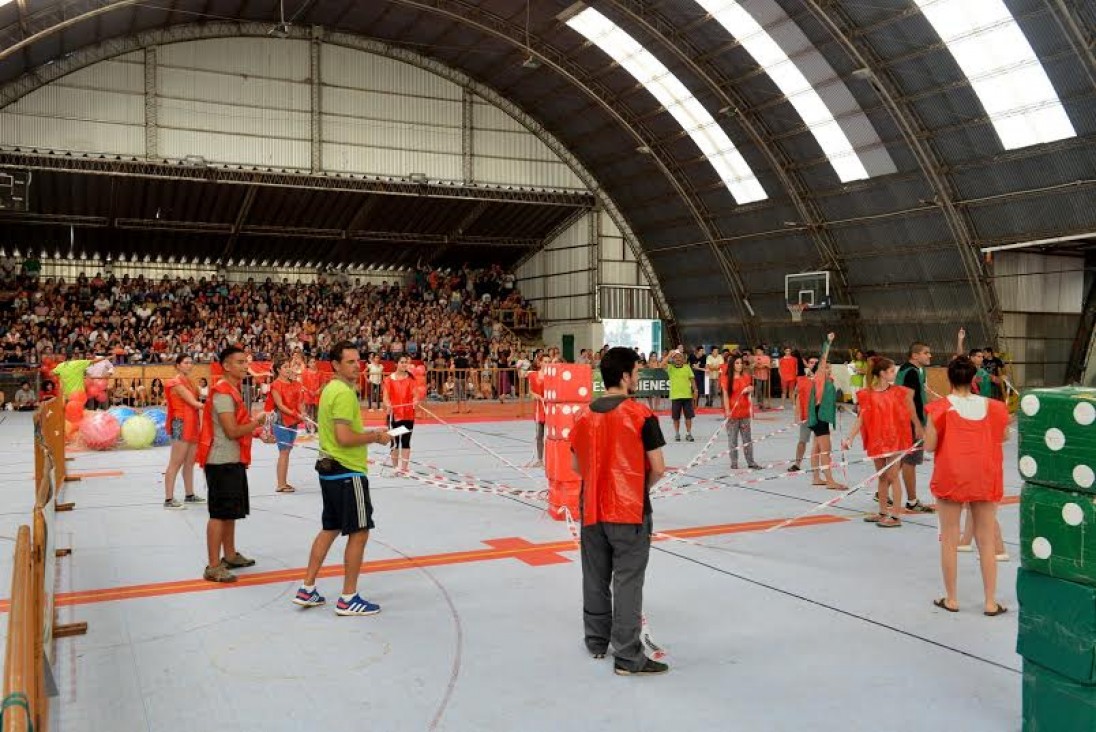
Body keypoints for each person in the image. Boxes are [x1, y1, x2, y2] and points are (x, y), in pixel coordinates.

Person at [569, 347, 668, 676]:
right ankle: (627, 655)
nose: (638, 377)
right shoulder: (641, 415)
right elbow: (658, 467)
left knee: (594, 576)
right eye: (636, 371)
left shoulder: (583, 416)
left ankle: (596, 640)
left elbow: (575, 464)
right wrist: (642, 489)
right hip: (629, 510)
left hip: (592, 509)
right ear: (625, 376)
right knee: (627, 580)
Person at [292, 341, 390, 615]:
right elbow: (344, 438)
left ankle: (307, 587)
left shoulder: (329, 390)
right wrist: (376, 436)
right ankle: (348, 597)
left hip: (329, 469)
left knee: (330, 527)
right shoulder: (344, 393)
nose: (356, 366)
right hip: (347, 471)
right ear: (335, 364)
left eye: (357, 361)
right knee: (359, 531)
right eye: (350, 361)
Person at [924, 356, 1010, 615]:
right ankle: (990, 602)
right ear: (974, 379)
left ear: (949, 379)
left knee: (949, 538)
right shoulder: (994, 407)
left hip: (951, 476)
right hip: (984, 475)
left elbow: (929, 446)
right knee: (986, 540)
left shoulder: (939, 408)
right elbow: (1004, 436)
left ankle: (951, 598)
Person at [197, 346, 271, 583]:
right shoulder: (223, 393)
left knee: (230, 511)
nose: (244, 366)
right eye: (239, 362)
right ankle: (213, 565)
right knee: (219, 513)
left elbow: (238, 426)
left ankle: (229, 555)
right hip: (221, 460)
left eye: (245, 361)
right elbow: (231, 431)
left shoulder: (233, 390)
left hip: (232, 458)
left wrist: (257, 431)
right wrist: (256, 422)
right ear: (226, 366)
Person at [842, 357, 922, 528]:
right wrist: (850, 437)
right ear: (882, 374)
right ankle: (883, 511)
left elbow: (910, 408)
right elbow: (861, 419)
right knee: (882, 477)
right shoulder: (868, 394)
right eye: (892, 371)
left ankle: (895, 516)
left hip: (894, 440)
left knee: (894, 476)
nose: (895, 373)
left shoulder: (899, 392)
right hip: (877, 441)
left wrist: (917, 427)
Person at [896, 342, 936, 514]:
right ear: (915, 355)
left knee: (900, 458)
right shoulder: (910, 372)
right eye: (926, 353)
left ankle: (881, 490)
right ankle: (912, 501)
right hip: (910, 423)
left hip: (907, 420)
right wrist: (918, 425)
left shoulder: (916, 370)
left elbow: (920, 396)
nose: (929, 356)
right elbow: (908, 400)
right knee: (909, 462)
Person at [164, 355, 205, 509]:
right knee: (175, 462)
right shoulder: (175, 383)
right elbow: (194, 402)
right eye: (186, 363)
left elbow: (200, 399)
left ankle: (189, 494)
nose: (189, 365)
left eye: (190, 363)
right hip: (181, 423)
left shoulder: (190, 383)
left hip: (193, 423)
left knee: (189, 462)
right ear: (178, 365)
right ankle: (168, 499)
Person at [807, 334, 845, 490]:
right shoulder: (820, 378)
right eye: (826, 367)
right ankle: (830, 481)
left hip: (820, 415)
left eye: (829, 366)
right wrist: (828, 342)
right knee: (825, 450)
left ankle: (816, 477)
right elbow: (823, 359)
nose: (828, 368)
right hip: (820, 416)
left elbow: (827, 400)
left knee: (816, 448)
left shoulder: (828, 382)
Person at [268, 358, 304, 493]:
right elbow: (280, 406)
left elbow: (299, 401)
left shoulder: (295, 383)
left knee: (287, 452)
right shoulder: (276, 385)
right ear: (278, 370)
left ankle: (283, 482)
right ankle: (281, 484)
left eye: (288, 366)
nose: (288, 368)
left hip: (293, 421)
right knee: (283, 452)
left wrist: (303, 413)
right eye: (285, 367)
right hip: (281, 422)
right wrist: (296, 414)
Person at [383, 355, 420, 472]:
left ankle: (404, 469)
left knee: (405, 441)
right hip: (394, 415)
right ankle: (395, 467)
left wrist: (415, 400)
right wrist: (388, 404)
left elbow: (415, 394)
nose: (405, 365)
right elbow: (385, 397)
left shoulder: (411, 379)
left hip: (408, 415)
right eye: (402, 362)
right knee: (394, 442)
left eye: (406, 363)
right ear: (396, 364)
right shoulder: (388, 380)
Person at [723, 356, 760, 470]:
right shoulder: (726, 378)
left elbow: (751, 387)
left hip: (744, 413)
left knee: (747, 439)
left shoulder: (746, 377)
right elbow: (725, 396)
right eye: (737, 363)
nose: (739, 365)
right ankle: (734, 462)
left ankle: (751, 462)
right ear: (732, 365)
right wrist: (728, 411)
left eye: (740, 363)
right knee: (732, 439)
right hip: (733, 414)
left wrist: (750, 388)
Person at [789, 356, 817, 473]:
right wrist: (796, 414)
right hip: (806, 416)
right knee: (802, 441)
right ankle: (797, 463)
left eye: (815, 363)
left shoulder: (822, 380)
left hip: (818, 416)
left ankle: (819, 465)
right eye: (811, 363)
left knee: (819, 442)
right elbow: (797, 396)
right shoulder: (802, 380)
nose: (813, 365)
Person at [666, 350, 696, 442]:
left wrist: (695, 390)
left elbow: (692, 380)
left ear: (683, 359)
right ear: (673, 359)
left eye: (680, 357)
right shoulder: (670, 368)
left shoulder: (687, 367)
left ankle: (689, 433)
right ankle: (677, 434)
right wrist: (669, 355)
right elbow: (661, 365)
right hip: (675, 396)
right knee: (676, 417)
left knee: (688, 416)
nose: (678, 359)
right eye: (676, 357)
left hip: (687, 396)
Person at [526, 353, 548, 466]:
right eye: (545, 361)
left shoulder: (553, 376)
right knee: (539, 434)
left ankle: (552, 459)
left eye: (549, 362)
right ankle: (540, 460)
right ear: (540, 363)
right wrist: (535, 395)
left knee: (552, 435)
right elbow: (530, 392)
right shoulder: (534, 375)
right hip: (540, 407)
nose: (547, 364)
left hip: (551, 408)